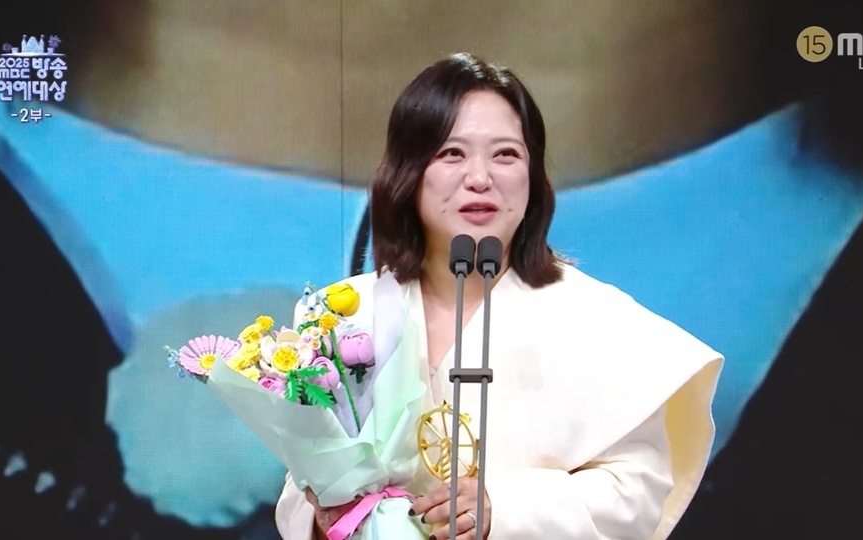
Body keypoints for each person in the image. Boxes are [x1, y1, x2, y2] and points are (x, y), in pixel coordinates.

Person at [275, 53, 723, 540]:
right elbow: (301, 487)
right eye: (452, 153)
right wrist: (325, 517)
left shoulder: (598, 318)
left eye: (506, 155)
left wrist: (503, 511)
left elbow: (637, 493)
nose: (480, 178)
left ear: (533, 176)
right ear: (408, 171)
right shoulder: (344, 315)